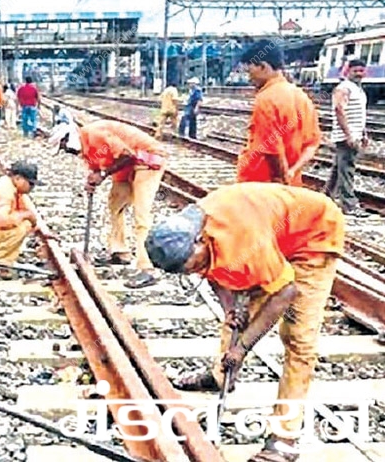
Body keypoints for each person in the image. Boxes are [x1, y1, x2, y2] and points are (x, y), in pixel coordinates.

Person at [145, 182, 344, 462]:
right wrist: (229, 308)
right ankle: (221, 376)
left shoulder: (244, 238)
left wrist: (242, 349)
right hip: (273, 233)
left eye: (194, 266)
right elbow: (211, 270)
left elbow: (284, 293)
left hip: (314, 235)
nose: (197, 272)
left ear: (200, 240)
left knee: (298, 337)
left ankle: (285, 437)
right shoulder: (196, 230)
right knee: (238, 319)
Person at [49, 119, 168, 287]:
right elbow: (99, 165)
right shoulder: (85, 149)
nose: (66, 151)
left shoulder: (94, 134)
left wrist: (103, 174)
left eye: (64, 147)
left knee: (141, 214)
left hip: (147, 158)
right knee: (115, 205)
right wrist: (93, 180)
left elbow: (127, 154)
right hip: (127, 164)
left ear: (70, 138)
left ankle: (148, 268)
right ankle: (120, 251)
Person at [236, 40, 322, 188]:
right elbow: (311, 145)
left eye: (250, 72)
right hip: (292, 185)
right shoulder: (302, 97)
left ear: (263, 66)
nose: (249, 78)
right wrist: (292, 172)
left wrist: (280, 179)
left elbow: (272, 150)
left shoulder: (266, 99)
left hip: (262, 185)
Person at [325, 58, 370, 217]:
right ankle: (349, 205)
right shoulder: (344, 88)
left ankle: (326, 198)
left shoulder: (359, 90)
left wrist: (363, 133)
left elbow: (360, 115)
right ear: (348, 71)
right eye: (355, 70)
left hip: (354, 134)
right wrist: (348, 134)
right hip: (346, 136)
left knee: (339, 168)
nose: (358, 73)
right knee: (347, 169)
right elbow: (339, 110)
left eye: (361, 70)